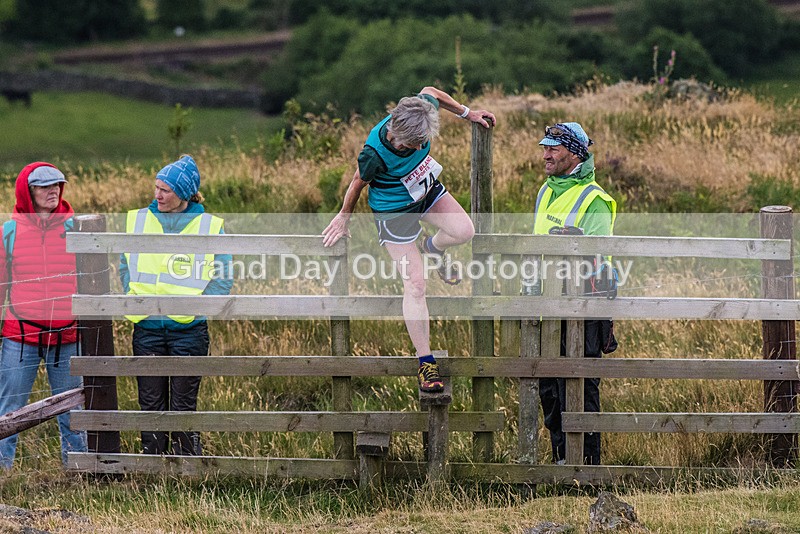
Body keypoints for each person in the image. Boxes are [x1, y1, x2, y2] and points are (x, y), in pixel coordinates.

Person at [323, 86, 496, 392]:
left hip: (424, 191)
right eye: (416, 144)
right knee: (416, 284)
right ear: (398, 136)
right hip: (394, 214)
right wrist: (343, 216)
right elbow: (356, 183)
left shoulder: (420, 109)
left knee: (464, 231)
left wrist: (468, 114)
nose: (421, 148)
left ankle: (432, 247)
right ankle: (425, 363)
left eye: (424, 142)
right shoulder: (374, 154)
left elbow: (431, 91)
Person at [119, 154, 232, 455]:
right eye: (156, 187)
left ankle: (187, 467)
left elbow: (222, 277)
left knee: (183, 402)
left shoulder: (209, 226)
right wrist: (135, 297)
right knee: (151, 402)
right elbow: (124, 265)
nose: (157, 195)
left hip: (189, 330)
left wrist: (197, 309)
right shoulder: (139, 220)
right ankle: (154, 466)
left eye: (165, 190)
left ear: (183, 193)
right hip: (148, 327)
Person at [533, 122, 617, 465]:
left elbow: (596, 257)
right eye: (545, 147)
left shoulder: (594, 199)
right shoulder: (545, 191)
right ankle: (561, 463)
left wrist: (574, 243)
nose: (546, 154)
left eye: (553, 147)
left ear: (575, 152)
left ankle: (587, 467)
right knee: (550, 390)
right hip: (546, 306)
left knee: (580, 389)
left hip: (585, 307)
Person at [0, 162, 87, 469]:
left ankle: (78, 470)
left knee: (73, 409)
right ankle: (3, 472)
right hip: (19, 337)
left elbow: (90, 279)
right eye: (44, 186)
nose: (53, 191)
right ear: (28, 191)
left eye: (56, 185)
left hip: (67, 336)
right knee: (9, 409)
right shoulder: (8, 232)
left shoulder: (77, 228)